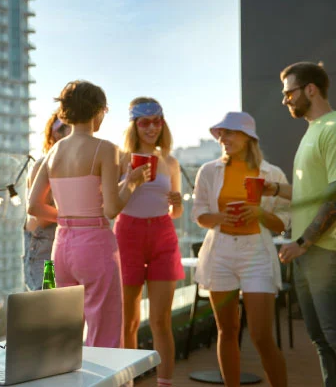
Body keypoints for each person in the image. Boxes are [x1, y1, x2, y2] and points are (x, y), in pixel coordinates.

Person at [28, 80, 148, 347]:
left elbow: (33, 206)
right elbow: (112, 208)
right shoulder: (106, 149)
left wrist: (69, 218)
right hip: (95, 243)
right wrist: (132, 182)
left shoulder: (53, 152)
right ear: (98, 111)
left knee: (68, 328)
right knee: (104, 330)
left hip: (62, 245)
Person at [192, 111, 289, 387]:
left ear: (248, 138)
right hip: (220, 252)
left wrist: (258, 213)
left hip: (256, 253)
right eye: (221, 133)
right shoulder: (208, 171)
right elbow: (199, 215)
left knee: (261, 336)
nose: (223, 138)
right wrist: (221, 218)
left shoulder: (271, 174)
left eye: (230, 132)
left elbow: (283, 223)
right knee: (227, 330)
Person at [273, 62, 336, 387]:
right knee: (321, 340)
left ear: (310, 89)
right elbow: (309, 193)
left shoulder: (332, 128)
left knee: (332, 338)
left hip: (325, 252)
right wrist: (273, 189)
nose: (285, 100)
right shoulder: (312, 131)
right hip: (307, 255)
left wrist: (304, 242)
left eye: (289, 92)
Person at [115, 98, 185, 387]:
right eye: (145, 122)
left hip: (162, 234)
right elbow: (111, 203)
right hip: (128, 233)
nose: (152, 127)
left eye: (158, 121)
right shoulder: (120, 159)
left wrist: (177, 203)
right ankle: (128, 382)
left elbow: (177, 212)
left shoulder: (170, 161)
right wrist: (130, 180)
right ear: (134, 125)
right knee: (129, 321)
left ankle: (165, 383)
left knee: (160, 320)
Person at [23, 112, 70, 291]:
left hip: (66, 241)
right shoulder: (43, 165)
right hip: (43, 244)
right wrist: (77, 214)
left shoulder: (79, 166)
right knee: (48, 303)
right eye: (63, 128)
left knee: (69, 307)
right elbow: (38, 215)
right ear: (53, 134)